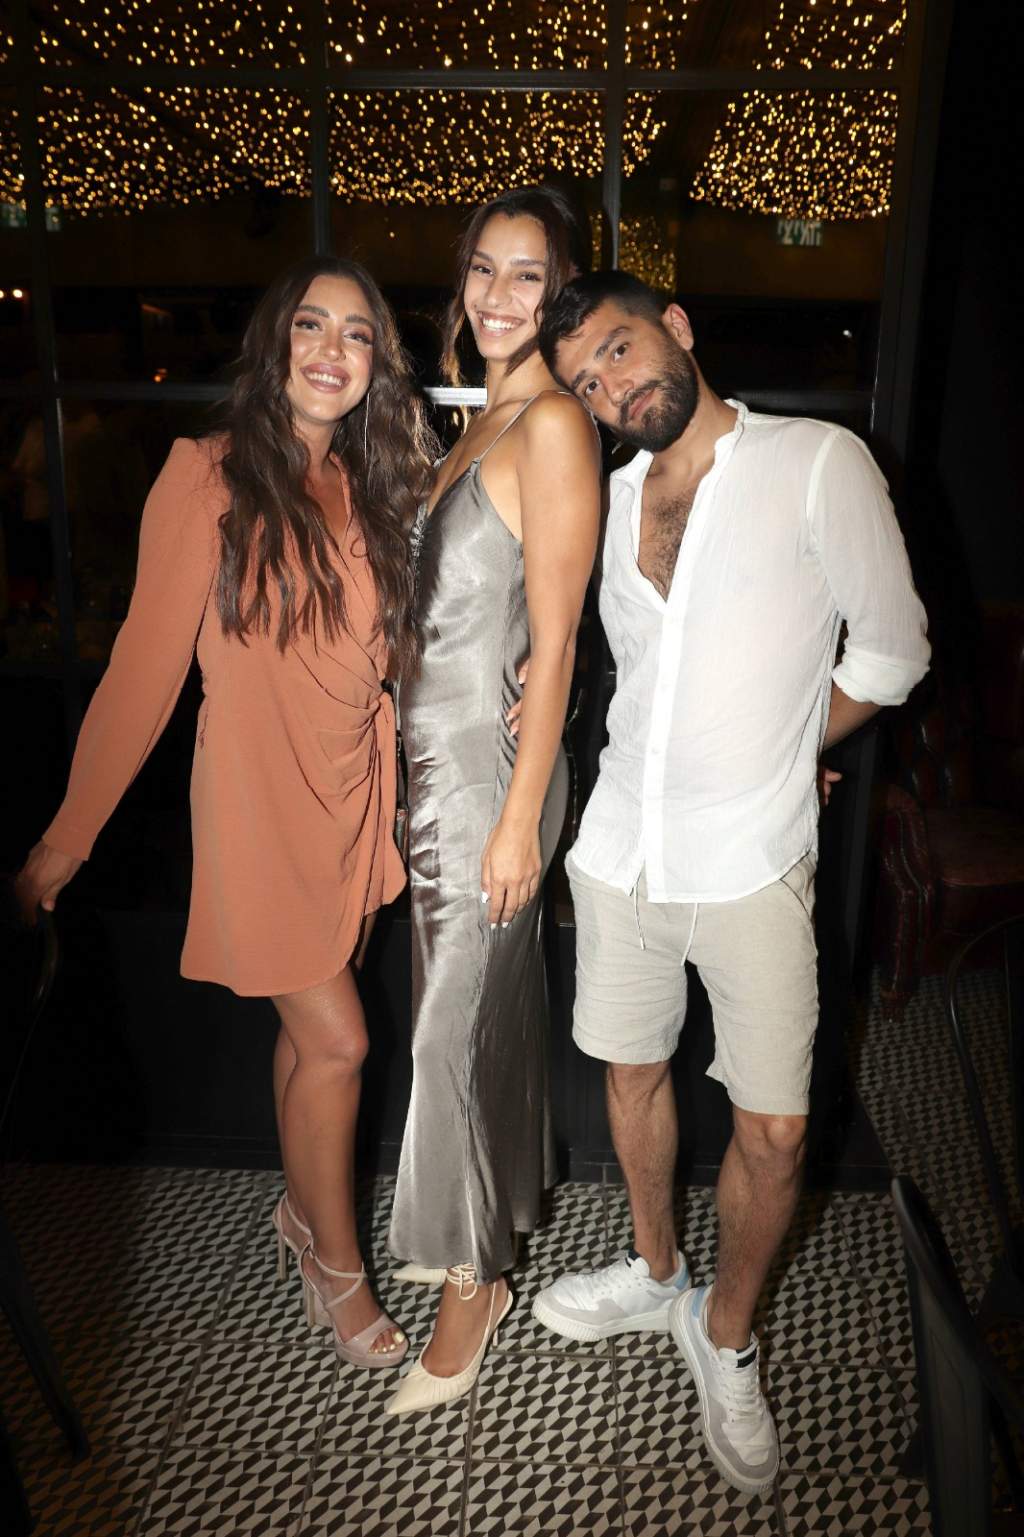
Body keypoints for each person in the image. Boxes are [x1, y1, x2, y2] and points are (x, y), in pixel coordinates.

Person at [531, 270, 930, 1491]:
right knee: (629, 1072)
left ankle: (727, 1334)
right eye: (585, 381)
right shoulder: (606, 498)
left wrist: (789, 745)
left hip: (753, 857)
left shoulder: (816, 461)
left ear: (677, 326)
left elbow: (893, 651)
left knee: (775, 1128)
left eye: (617, 350)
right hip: (620, 849)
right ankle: (656, 1271)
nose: (609, 387)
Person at [15, 256, 435, 1370]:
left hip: (352, 794)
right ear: (274, 341)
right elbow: (144, 671)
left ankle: (299, 1206)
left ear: (376, 363)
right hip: (258, 798)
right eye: (311, 326)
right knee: (341, 1038)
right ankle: (334, 1269)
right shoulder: (205, 473)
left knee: (309, 1035)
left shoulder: (373, 482)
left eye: (356, 334)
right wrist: (67, 835)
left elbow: (391, 656)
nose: (331, 351)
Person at [385, 187, 601, 1415]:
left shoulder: (554, 425)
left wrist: (520, 818)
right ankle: (475, 1219)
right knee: (460, 1019)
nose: (499, 295)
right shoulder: (478, 423)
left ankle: (473, 1284)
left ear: (559, 292)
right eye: (483, 269)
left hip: (486, 777)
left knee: (447, 1031)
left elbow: (556, 641)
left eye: (528, 275)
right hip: (433, 769)